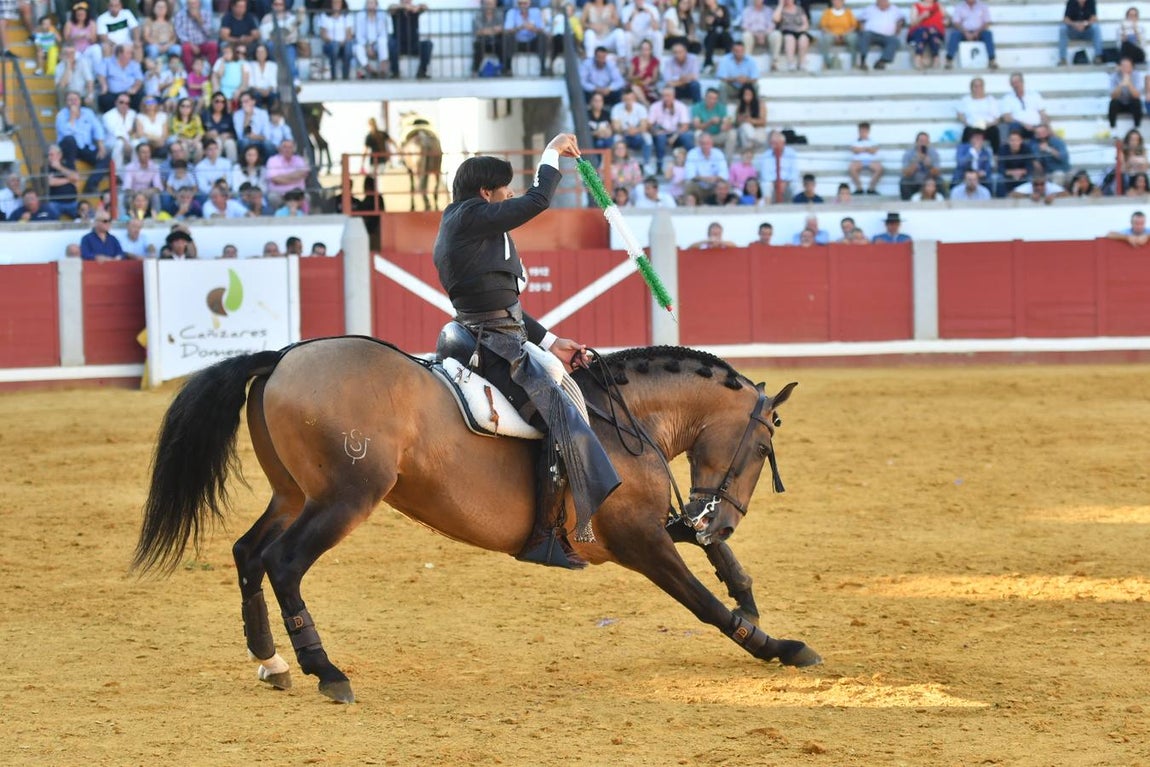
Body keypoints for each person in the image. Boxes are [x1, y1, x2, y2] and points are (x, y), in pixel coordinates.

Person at [431, 133, 620, 569]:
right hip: (492, 343)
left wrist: (552, 341)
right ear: (485, 193)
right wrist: (552, 152)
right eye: (505, 189)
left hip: (498, 333)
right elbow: (538, 200)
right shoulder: (469, 217)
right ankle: (542, 536)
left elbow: (504, 305)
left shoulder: (471, 223)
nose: (511, 195)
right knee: (562, 419)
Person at [55, 91, 110, 194]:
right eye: (70, 100)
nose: (73, 102)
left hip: (85, 147)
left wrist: (101, 145)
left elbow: (97, 128)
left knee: (105, 157)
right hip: (68, 148)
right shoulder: (61, 115)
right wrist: (72, 117)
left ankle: (90, 186)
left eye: (75, 99)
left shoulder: (88, 112)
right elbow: (66, 132)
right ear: (66, 102)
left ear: (80, 101)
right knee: (70, 140)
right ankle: (73, 178)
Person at [648, 86, 694, 169]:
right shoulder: (655, 106)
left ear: (674, 96)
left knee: (687, 137)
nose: (666, 98)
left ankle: (693, 163)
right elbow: (649, 125)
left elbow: (685, 126)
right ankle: (659, 166)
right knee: (660, 138)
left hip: (677, 134)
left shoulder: (681, 106)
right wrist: (655, 131)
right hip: (660, 133)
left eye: (668, 96)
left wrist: (674, 136)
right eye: (664, 96)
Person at [944, 0, 997, 70]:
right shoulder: (959, 7)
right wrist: (965, 32)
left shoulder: (983, 6)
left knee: (988, 34)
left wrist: (977, 32)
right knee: (954, 34)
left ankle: (992, 60)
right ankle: (949, 60)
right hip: (963, 32)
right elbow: (956, 23)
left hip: (979, 32)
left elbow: (987, 22)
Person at [388, 0, 433, 80]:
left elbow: (425, 7)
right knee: (391, 43)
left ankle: (422, 72)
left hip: (413, 44)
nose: (406, 1)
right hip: (399, 45)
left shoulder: (414, 10)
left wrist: (418, 6)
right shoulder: (396, 11)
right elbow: (390, 7)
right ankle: (395, 73)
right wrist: (404, 7)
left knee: (428, 44)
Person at [956, 76, 1002, 152]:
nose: (978, 88)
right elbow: (959, 115)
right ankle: (964, 157)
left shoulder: (991, 100)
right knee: (966, 132)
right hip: (972, 126)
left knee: (995, 131)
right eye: (975, 86)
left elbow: (997, 118)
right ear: (971, 88)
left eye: (980, 86)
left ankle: (996, 156)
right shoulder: (965, 100)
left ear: (983, 87)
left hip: (988, 127)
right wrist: (967, 122)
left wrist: (989, 124)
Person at [610, 90, 653, 170]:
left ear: (634, 99)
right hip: (623, 134)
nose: (628, 101)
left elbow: (644, 126)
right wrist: (626, 131)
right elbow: (615, 127)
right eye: (626, 99)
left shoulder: (640, 108)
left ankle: (647, 163)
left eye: (630, 99)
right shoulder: (616, 108)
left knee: (648, 137)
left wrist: (635, 130)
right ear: (622, 100)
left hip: (638, 134)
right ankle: (616, 163)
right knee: (615, 138)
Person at [856, 0, 905, 71]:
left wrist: (897, 30)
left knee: (894, 41)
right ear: (877, 2)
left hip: (887, 36)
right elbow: (860, 20)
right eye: (880, 1)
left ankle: (881, 61)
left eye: (884, 1)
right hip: (871, 34)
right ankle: (862, 61)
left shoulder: (895, 9)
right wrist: (862, 30)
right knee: (865, 35)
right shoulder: (870, 9)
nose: (883, 3)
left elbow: (901, 21)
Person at [504, 0, 548, 76]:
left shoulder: (536, 12)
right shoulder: (511, 12)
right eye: (520, 3)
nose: (522, 5)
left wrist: (533, 28)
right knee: (508, 37)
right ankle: (508, 69)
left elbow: (541, 29)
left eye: (525, 3)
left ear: (529, 3)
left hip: (532, 41)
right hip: (517, 42)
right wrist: (520, 27)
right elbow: (507, 30)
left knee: (542, 37)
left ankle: (543, 68)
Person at [97, 43, 144, 113]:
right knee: (104, 98)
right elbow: (101, 75)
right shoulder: (107, 62)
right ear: (119, 54)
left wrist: (134, 88)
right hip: (113, 94)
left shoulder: (134, 64)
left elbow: (139, 79)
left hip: (130, 92)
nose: (131, 55)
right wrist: (104, 86)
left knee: (140, 95)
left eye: (131, 53)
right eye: (128, 53)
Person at [682, 132, 728, 201]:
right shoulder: (692, 153)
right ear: (699, 144)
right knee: (688, 184)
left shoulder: (718, 153)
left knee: (724, 185)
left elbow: (724, 174)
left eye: (708, 143)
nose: (705, 146)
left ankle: (723, 208)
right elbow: (690, 175)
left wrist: (715, 179)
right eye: (703, 143)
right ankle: (689, 209)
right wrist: (704, 179)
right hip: (698, 185)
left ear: (712, 143)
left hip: (714, 185)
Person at [175, 0, 219, 72]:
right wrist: (191, 44)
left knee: (213, 45)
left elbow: (209, 33)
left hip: (203, 43)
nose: (193, 5)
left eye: (195, 3)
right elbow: (179, 33)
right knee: (185, 47)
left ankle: (212, 71)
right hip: (189, 43)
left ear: (199, 4)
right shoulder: (180, 15)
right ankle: (190, 73)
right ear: (186, 4)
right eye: (190, 3)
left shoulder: (206, 14)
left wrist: (199, 20)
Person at [265, 138, 309, 206]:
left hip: (297, 194)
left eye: (290, 147)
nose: (287, 149)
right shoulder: (272, 160)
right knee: (272, 197)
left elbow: (304, 173)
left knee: (307, 197)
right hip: (280, 195)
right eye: (285, 147)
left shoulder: (299, 159)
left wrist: (282, 177)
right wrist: (295, 178)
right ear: (280, 148)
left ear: (294, 149)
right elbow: (275, 179)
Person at [318, 0, 355, 81]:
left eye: (338, 3)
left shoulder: (346, 16)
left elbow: (349, 34)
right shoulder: (325, 16)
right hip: (329, 44)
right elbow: (323, 34)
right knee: (334, 46)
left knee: (349, 46)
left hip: (343, 43)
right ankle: (333, 76)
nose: (336, 5)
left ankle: (346, 76)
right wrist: (334, 42)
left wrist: (343, 42)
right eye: (334, 3)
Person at [1058, 0, 1103, 66]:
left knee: (1096, 27)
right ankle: (1062, 58)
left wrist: (1085, 24)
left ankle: (1098, 56)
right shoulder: (1071, 2)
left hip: (1087, 31)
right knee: (1063, 28)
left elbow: (1094, 18)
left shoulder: (1091, 2)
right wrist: (1075, 24)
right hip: (1074, 31)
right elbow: (1066, 19)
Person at [900, 131, 943, 200]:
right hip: (914, 181)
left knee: (940, 181)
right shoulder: (908, 153)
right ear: (916, 142)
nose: (923, 143)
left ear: (928, 143)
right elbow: (906, 173)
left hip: (929, 180)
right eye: (921, 141)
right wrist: (915, 162)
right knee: (904, 182)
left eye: (925, 141)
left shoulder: (933, 153)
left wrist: (929, 166)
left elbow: (937, 173)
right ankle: (907, 205)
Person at [818, 0, 858, 71]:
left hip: (846, 34)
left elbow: (854, 26)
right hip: (831, 34)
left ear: (843, 2)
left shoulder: (848, 12)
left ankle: (854, 64)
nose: (837, 2)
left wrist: (844, 34)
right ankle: (826, 63)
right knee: (825, 39)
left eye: (839, 1)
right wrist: (833, 34)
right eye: (835, 1)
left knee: (853, 38)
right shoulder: (827, 12)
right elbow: (823, 26)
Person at [44, 143, 81, 218]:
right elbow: (51, 182)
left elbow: (76, 177)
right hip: (55, 202)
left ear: (59, 155)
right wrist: (69, 179)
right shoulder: (45, 168)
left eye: (52, 155)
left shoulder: (68, 164)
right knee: (49, 215)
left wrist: (59, 167)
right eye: (48, 155)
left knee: (84, 211)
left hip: (72, 202)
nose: (49, 157)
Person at [759, 129, 798, 203]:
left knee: (796, 184)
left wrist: (785, 182)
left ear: (783, 143)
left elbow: (794, 172)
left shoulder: (791, 153)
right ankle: (767, 207)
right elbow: (765, 174)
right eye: (772, 143)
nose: (773, 145)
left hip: (787, 181)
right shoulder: (766, 155)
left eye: (776, 143)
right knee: (765, 184)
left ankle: (797, 207)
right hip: (772, 181)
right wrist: (777, 183)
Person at [472, 0, 507, 75]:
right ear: (483, 4)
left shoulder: (499, 13)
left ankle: (504, 70)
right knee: (478, 46)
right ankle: (474, 71)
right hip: (482, 40)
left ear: (495, 4)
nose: (489, 6)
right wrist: (493, 30)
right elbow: (478, 31)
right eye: (487, 4)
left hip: (495, 40)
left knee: (502, 45)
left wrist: (486, 31)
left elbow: (501, 28)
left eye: (491, 4)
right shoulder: (478, 14)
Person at [848, 121, 884, 195]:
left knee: (880, 168)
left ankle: (871, 188)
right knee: (851, 168)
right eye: (861, 131)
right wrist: (867, 149)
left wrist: (862, 149)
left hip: (871, 161)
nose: (863, 133)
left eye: (864, 131)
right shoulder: (854, 141)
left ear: (868, 131)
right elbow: (854, 150)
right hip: (858, 161)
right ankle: (859, 188)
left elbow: (874, 151)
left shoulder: (873, 141)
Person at [907, 0, 945, 70]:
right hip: (919, 31)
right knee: (922, 32)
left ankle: (936, 59)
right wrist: (921, 16)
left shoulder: (938, 6)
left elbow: (945, 18)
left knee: (933, 33)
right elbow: (912, 23)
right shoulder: (916, 6)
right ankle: (918, 58)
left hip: (935, 32)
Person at [1109, 57, 1142, 130]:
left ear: (1132, 67)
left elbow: (1137, 95)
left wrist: (1129, 83)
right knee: (1113, 103)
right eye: (1123, 66)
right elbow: (1113, 96)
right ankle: (1113, 128)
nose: (1125, 68)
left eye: (1127, 66)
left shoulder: (1136, 75)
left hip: (1131, 103)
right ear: (1119, 67)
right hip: (1120, 103)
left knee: (1137, 102)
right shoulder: (1114, 76)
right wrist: (1121, 84)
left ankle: (1137, 127)